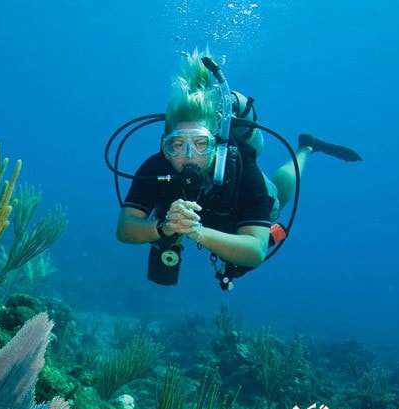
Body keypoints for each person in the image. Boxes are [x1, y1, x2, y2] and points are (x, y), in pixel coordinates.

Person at [115, 49, 361, 288]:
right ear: (164, 146)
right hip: (193, 218)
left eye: (201, 144)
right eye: (177, 144)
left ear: (217, 143)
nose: (189, 156)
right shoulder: (154, 167)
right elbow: (124, 229)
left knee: (276, 199)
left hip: (232, 206)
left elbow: (255, 251)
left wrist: (196, 231)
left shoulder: (240, 166)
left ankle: (306, 148)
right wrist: (163, 227)